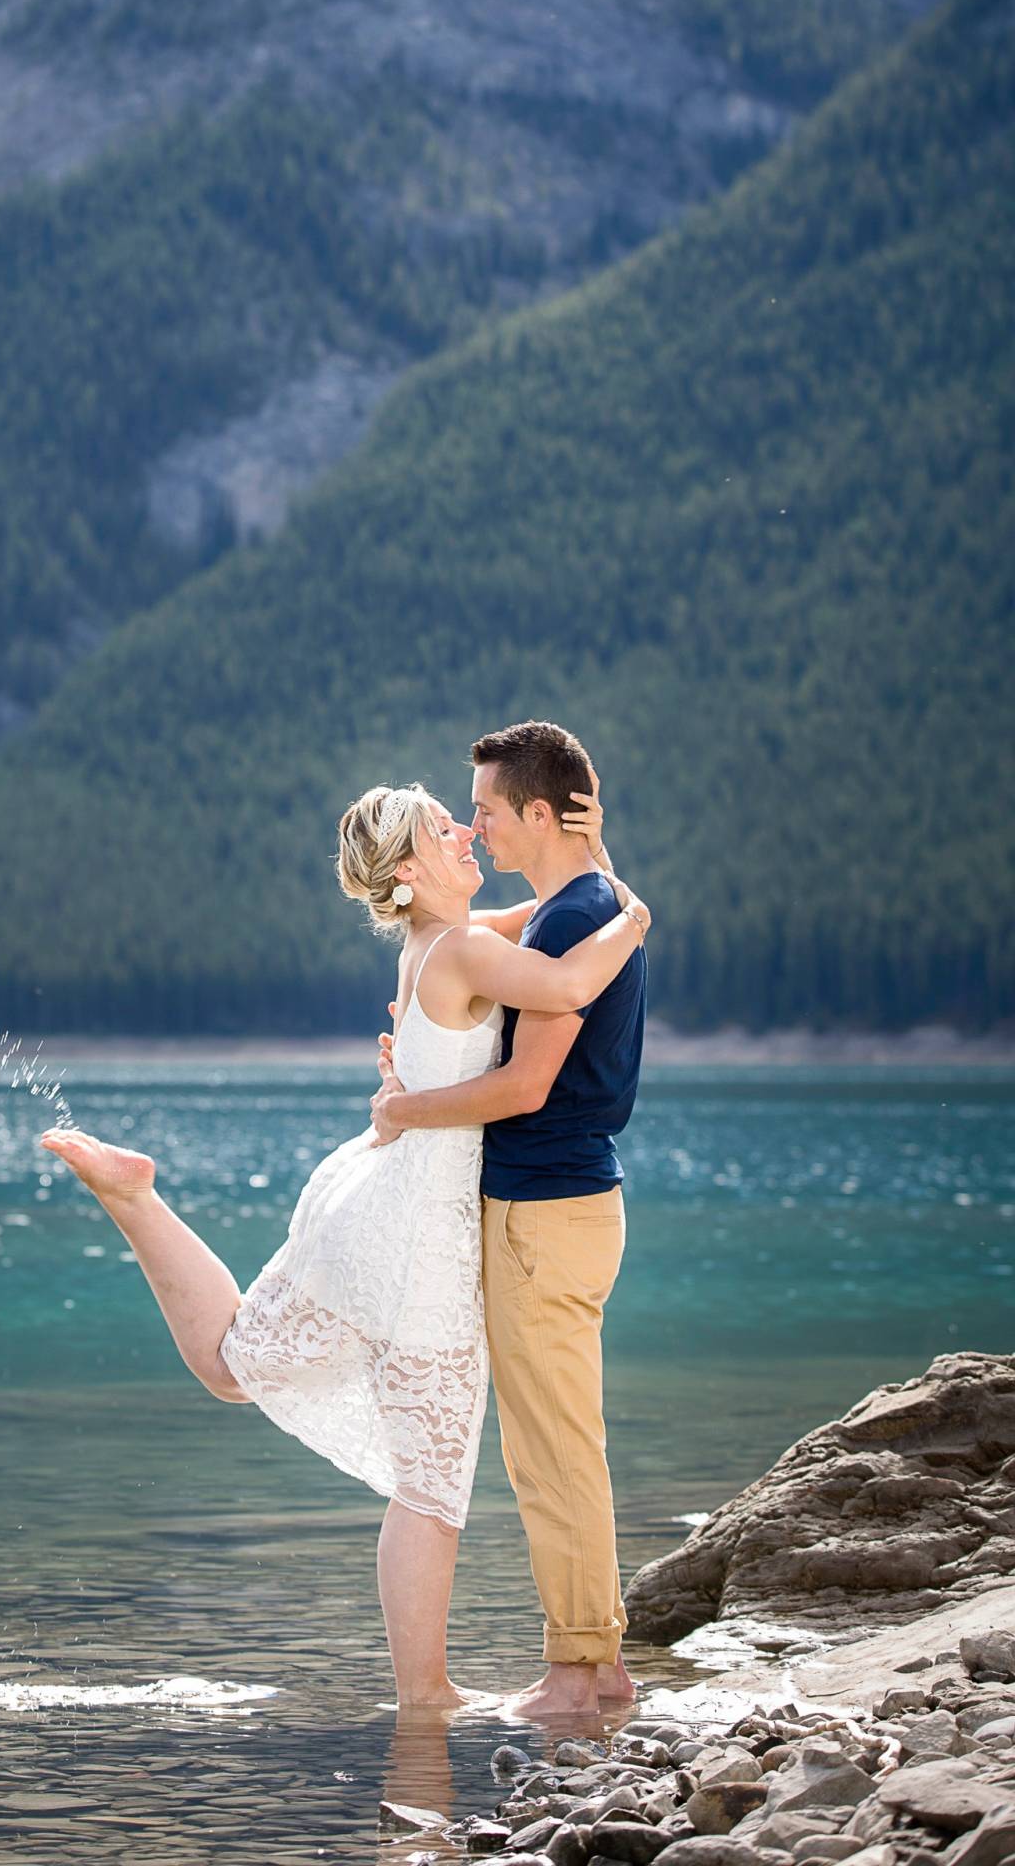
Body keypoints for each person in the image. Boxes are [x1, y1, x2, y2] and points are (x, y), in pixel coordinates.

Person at [40, 777, 650, 1711]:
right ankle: (426, 1698)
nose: (464, 831)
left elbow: (557, 906)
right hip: (415, 1238)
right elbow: (570, 975)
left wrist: (596, 869)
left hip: (394, 1207)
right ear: (408, 869)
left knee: (241, 1369)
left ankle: (137, 1202)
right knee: (424, 1478)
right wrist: (637, 916)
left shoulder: (444, 940)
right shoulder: (460, 951)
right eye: (444, 829)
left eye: (466, 819)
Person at [372, 721, 648, 1720]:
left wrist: (402, 1109)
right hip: (566, 1203)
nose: (474, 826)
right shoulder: (582, 902)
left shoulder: (575, 921)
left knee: (552, 1448)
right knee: (556, 1439)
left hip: (543, 1212)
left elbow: (526, 1085)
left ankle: (584, 1673)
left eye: (487, 810)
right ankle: (588, 1659)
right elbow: (506, 934)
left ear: (538, 812)